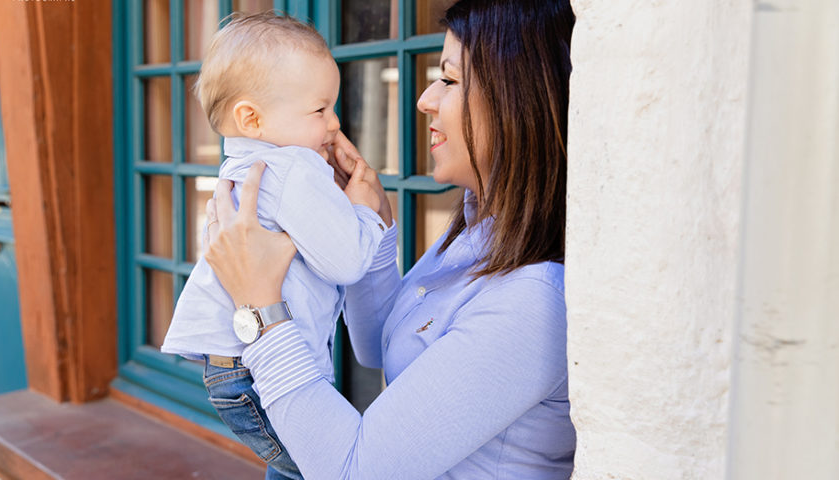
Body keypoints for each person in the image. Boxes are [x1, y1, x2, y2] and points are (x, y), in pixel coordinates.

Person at [203, 0, 577, 478]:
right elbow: (381, 346)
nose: (425, 98)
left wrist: (259, 308)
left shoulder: (531, 301)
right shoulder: (476, 235)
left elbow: (354, 470)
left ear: (517, 99)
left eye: (450, 79)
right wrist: (371, 225)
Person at [160, 12, 387, 480]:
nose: (334, 122)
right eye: (320, 110)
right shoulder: (293, 170)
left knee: (294, 469)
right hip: (265, 366)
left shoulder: (242, 167)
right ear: (252, 118)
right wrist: (366, 210)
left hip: (232, 367)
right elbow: (347, 262)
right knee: (323, 465)